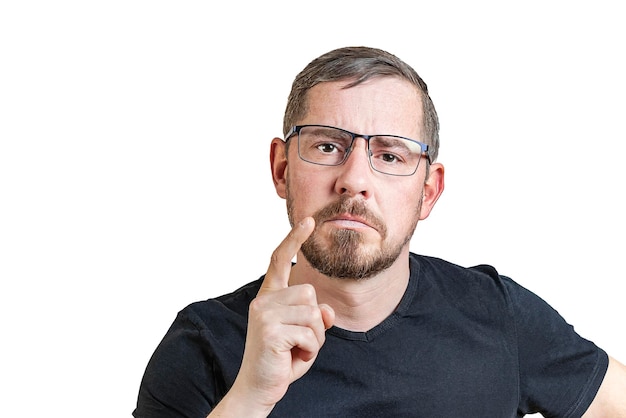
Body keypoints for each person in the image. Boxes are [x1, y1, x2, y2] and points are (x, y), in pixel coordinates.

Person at [133, 46, 626, 417]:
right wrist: (250, 397)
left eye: (389, 155)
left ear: (428, 192)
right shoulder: (204, 344)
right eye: (327, 147)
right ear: (282, 169)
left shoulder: (499, 315)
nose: (354, 179)